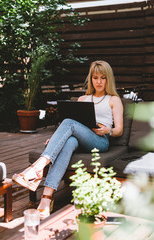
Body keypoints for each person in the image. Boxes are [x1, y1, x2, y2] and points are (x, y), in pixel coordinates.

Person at [12, 60, 123, 219]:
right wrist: (57, 139)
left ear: (108, 79)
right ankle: (45, 199)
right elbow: (71, 129)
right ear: (90, 79)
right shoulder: (83, 99)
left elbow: (119, 130)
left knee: (68, 123)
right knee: (69, 141)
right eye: (95, 77)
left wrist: (107, 130)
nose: (98, 81)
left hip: (100, 141)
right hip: (80, 139)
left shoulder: (113, 100)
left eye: (103, 78)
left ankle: (36, 169)